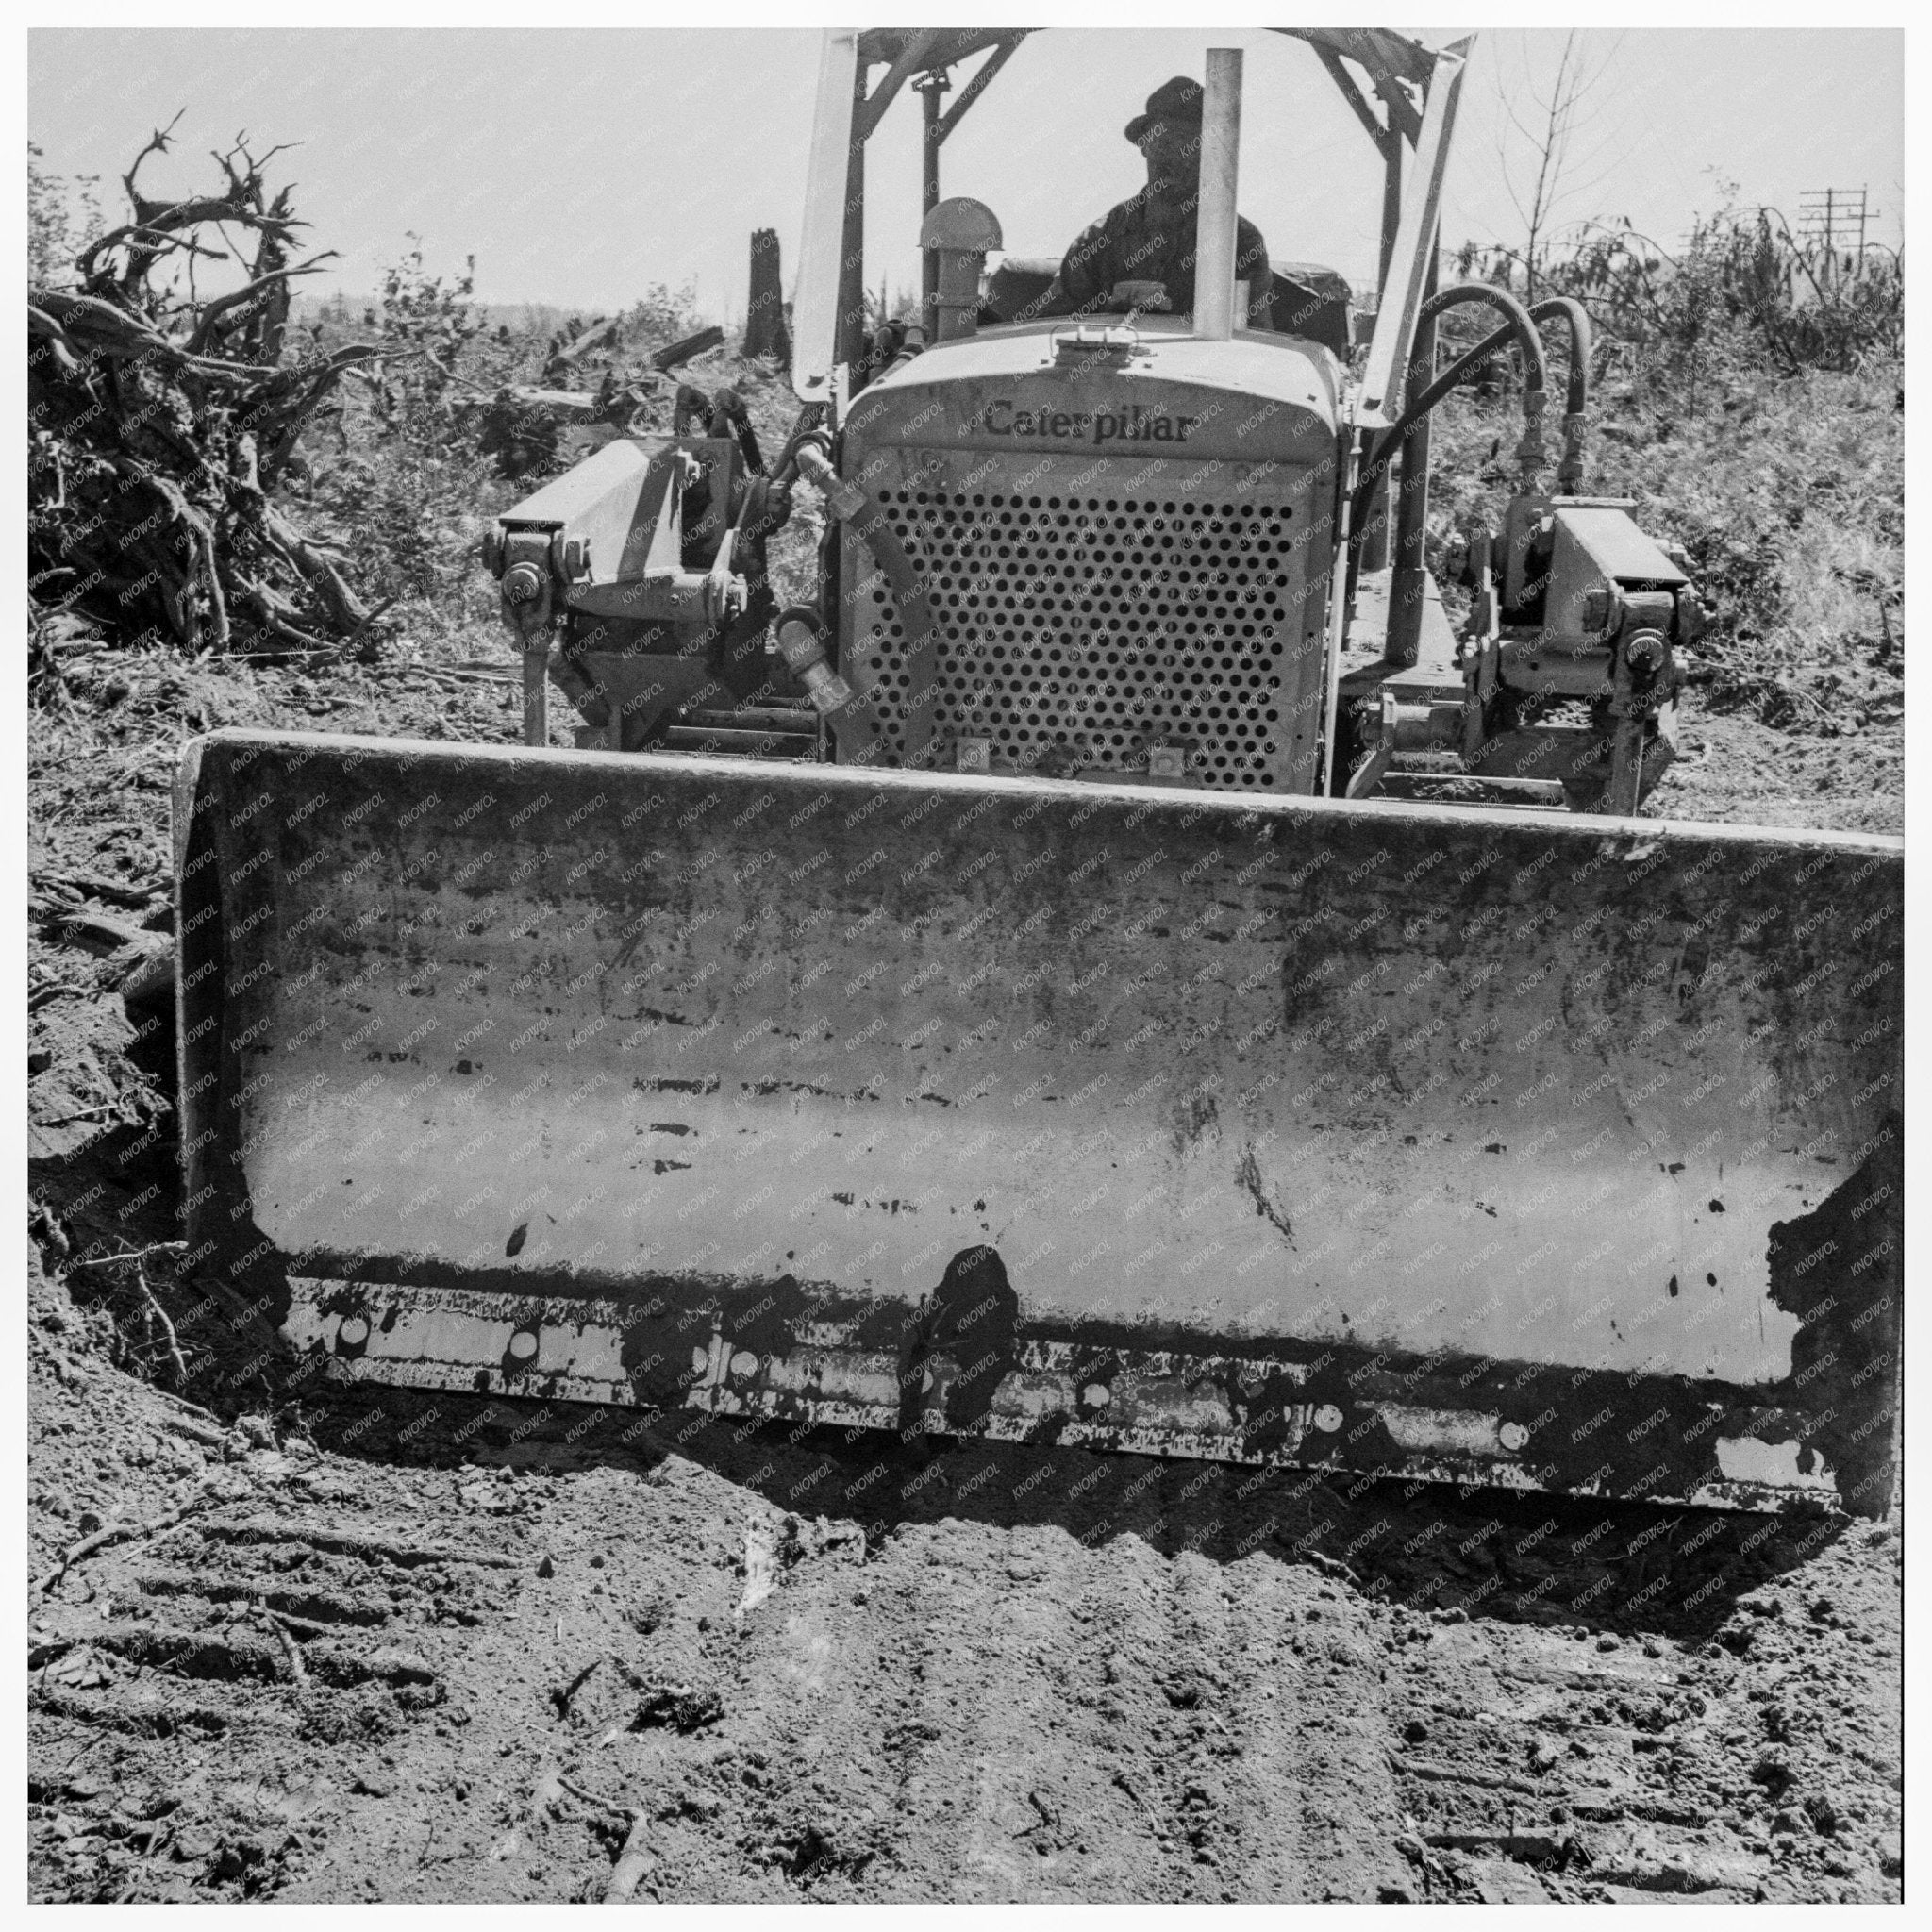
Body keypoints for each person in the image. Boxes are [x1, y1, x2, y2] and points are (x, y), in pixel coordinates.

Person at [1056, 75, 1271, 322]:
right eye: (1164, 144)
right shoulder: (1097, 240)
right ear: (1144, 146)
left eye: (1189, 146)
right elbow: (1053, 329)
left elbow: (1255, 343)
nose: (1175, 160)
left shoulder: (1239, 240)